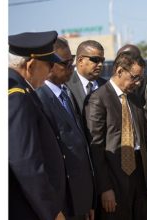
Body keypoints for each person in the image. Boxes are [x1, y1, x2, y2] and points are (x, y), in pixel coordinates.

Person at [84, 52, 147, 220]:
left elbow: (146, 141)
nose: (138, 83)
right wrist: (105, 188)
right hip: (114, 176)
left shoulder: (135, 99)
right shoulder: (98, 99)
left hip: (140, 174)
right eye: (134, 77)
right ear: (119, 71)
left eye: (140, 79)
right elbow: (96, 148)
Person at [35, 37, 96, 220]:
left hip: (79, 200)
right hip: (62, 203)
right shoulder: (40, 99)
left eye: (72, 60)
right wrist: (54, 208)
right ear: (50, 65)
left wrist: (87, 201)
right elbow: (44, 160)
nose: (72, 67)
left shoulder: (65, 93)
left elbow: (79, 149)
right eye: (66, 63)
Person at [8, 31, 66, 220]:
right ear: (31, 65)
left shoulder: (22, 90)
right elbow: (25, 162)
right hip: (28, 209)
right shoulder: (17, 95)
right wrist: (50, 211)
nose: (50, 72)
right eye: (49, 65)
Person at [66, 40, 107, 112]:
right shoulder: (66, 85)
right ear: (80, 60)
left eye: (102, 60)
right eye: (96, 60)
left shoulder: (107, 86)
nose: (100, 64)